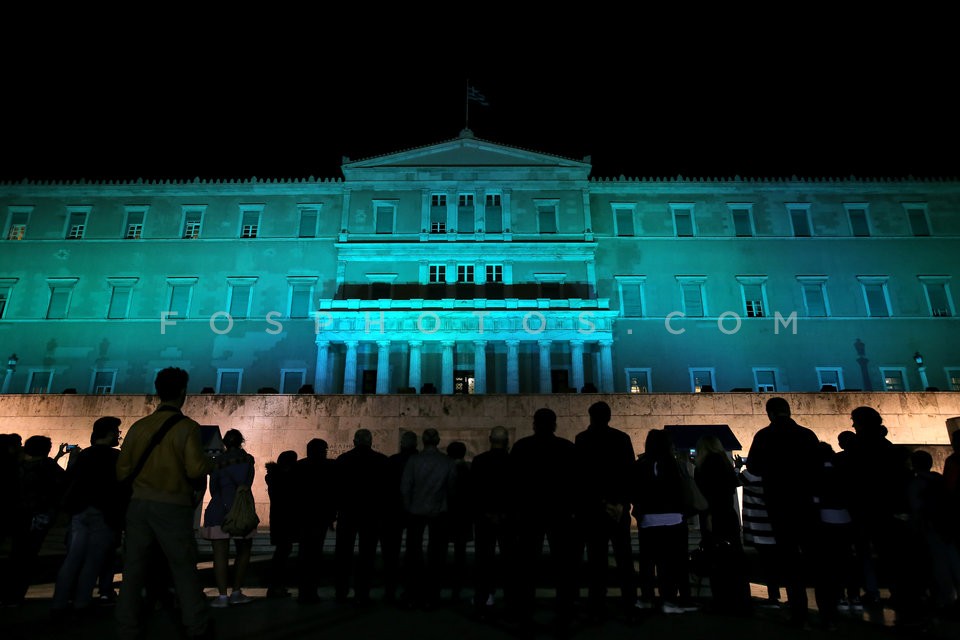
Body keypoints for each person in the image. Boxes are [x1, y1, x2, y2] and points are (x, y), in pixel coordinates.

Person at [115, 367, 214, 640]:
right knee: (182, 568)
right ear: (183, 392)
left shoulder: (139, 427)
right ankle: (196, 625)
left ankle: (126, 627)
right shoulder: (187, 428)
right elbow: (195, 469)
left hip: (138, 504)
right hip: (171, 504)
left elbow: (122, 471)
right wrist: (210, 463)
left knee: (133, 570)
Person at [746, 397, 820, 627]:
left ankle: (799, 612)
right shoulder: (807, 434)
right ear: (789, 411)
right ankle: (827, 613)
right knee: (815, 559)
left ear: (769, 413)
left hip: (779, 503)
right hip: (806, 503)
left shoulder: (764, 436)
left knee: (790, 560)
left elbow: (754, 467)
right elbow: (817, 464)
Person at [508, 407, 577, 630]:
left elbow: (513, 484)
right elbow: (576, 483)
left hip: (530, 513)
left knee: (527, 566)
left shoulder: (521, 447)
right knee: (563, 566)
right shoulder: (566, 448)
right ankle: (564, 613)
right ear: (555, 424)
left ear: (534, 424)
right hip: (559, 513)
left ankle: (525, 613)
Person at [51, 416, 123, 618]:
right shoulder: (114, 457)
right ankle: (82, 602)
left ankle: (59, 602)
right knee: (93, 560)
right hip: (102, 511)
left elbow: (69, 481)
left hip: (80, 511)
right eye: (117, 431)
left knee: (73, 558)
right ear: (109, 433)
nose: (118, 435)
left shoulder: (84, 456)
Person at [574, 400, 637, 619]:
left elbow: (582, 478)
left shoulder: (582, 440)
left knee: (596, 561)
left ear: (590, 416)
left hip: (593, 511)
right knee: (624, 559)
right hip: (617, 510)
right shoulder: (622, 439)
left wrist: (600, 502)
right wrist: (620, 503)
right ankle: (629, 604)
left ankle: (596, 606)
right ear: (609, 417)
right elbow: (629, 475)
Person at [631, 429, 696, 614]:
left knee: (648, 562)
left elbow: (634, 491)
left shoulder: (641, 464)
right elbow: (681, 492)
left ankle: (647, 598)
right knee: (671, 562)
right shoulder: (675, 464)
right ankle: (669, 599)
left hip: (648, 520)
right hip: (674, 519)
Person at [1, 435, 66, 606]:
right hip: (38, 518)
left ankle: (7, 593)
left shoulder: (17, 467)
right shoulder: (48, 467)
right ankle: (15, 595)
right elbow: (62, 486)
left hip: (18, 516)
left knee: (16, 554)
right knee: (27, 557)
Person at [400, 427, 456, 609]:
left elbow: (405, 487)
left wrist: (409, 507)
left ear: (423, 441)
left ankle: (413, 593)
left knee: (414, 555)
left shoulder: (414, 461)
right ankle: (433, 595)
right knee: (436, 556)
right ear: (438, 441)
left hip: (416, 512)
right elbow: (452, 488)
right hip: (438, 513)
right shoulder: (447, 462)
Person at [694, 434, 750, 615]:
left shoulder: (707, 465)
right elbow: (731, 485)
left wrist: (708, 516)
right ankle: (740, 601)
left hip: (715, 515)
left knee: (717, 559)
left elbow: (711, 492)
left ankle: (723, 601)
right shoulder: (723, 463)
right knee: (733, 558)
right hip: (727, 514)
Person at [201, 429, 256, 608]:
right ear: (241, 441)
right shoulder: (248, 460)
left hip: (218, 509)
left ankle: (222, 596)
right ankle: (236, 592)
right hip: (241, 510)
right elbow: (247, 484)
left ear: (225, 443)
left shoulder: (217, 463)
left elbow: (213, 488)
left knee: (219, 555)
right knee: (243, 551)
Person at [333, 428, 389, 604]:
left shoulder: (343, 460)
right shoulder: (381, 461)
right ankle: (362, 591)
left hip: (347, 512)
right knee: (367, 554)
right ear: (370, 441)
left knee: (343, 554)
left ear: (355, 441)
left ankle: (341, 591)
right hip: (371, 514)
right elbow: (385, 491)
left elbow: (336, 489)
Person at [470, 426, 512, 616]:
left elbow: (476, 491)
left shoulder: (479, 461)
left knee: (483, 559)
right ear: (507, 440)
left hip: (485, 518)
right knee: (509, 559)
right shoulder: (514, 462)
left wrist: (486, 513)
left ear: (489, 439)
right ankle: (512, 600)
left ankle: (483, 597)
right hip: (507, 518)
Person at [294, 438, 337, 604]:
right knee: (314, 553)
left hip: (305, 516)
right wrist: (332, 515)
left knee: (305, 553)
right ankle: (311, 591)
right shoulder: (328, 467)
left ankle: (304, 591)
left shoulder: (299, 466)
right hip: (319, 516)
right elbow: (332, 493)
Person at [382, 430, 418, 604]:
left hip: (394, 511)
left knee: (392, 553)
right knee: (414, 551)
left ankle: (390, 590)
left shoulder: (392, 461)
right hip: (416, 511)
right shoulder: (420, 461)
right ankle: (411, 589)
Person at [264, 450, 298, 598]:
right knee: (282, 553)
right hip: (285, 519)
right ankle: (275, 586)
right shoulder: (283, 478)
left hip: (279, 518)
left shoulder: (273, 476)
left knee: (282, 552)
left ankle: (276, 586)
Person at [445, 441, 473, 603]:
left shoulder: (445, 469)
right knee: (460, 550)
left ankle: (445, 579)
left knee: (440, 547)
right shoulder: (469, 469)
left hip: (448, 513)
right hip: (463, 515)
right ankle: (458, 582)